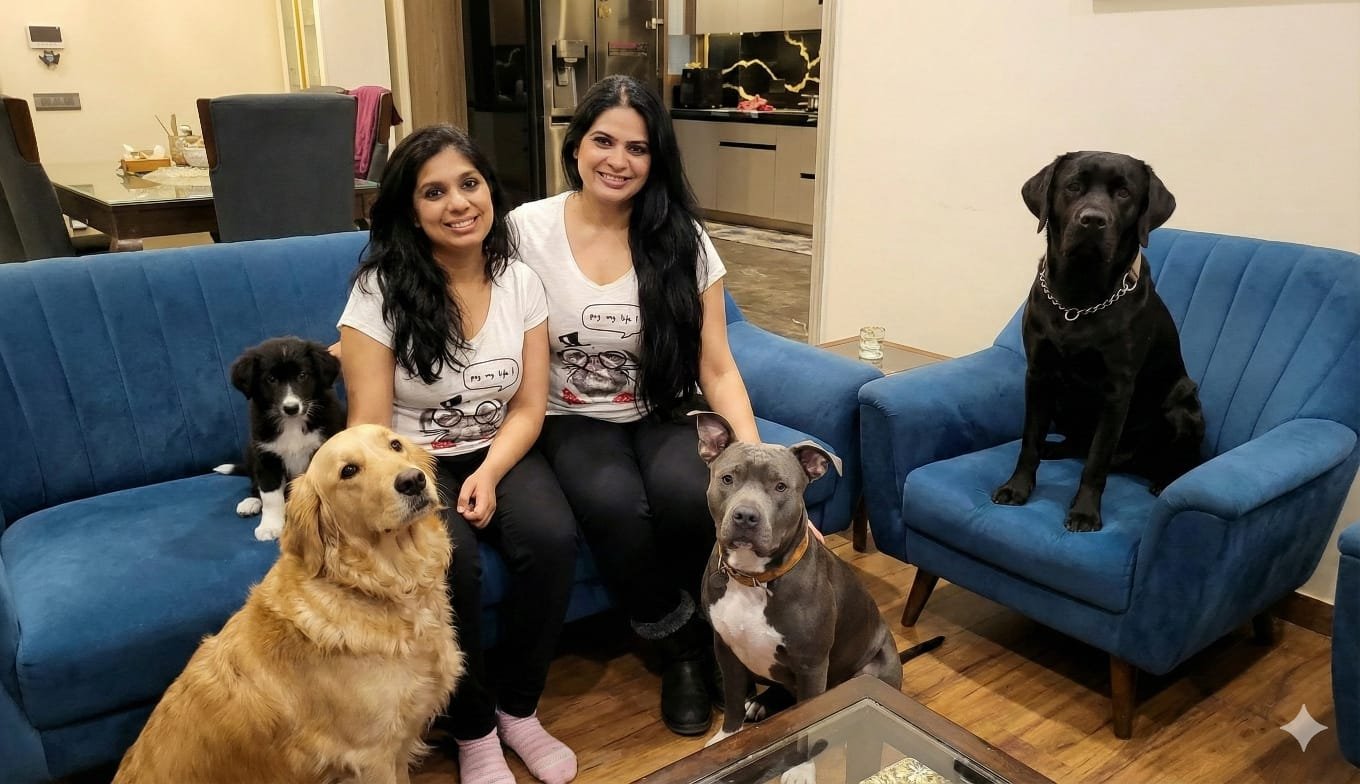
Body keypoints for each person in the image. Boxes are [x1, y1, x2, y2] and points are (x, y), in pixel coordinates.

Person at [509, 74, 761, 737]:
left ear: (656, 158)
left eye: (638, 148)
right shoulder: (527, 229)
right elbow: (462, 294)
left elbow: (716, 364)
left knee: (686, 493)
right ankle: (681, 649)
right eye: (604, 141)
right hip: (567, 415)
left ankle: (717, 634)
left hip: (663, 408)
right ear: (576, 145)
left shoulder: (682, 238)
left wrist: (754, 460)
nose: (618, 161)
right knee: (614, 503)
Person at [338, 124, 578, 784]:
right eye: (434, 192)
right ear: (410, 210)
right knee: (453, 563)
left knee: (552, 539)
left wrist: (492, 472)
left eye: (469, 184)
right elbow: (369, 430)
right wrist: (419, 485)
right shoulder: (378, 292)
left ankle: (519, 711)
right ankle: (472, 730)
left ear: (489, 190)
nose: (458, 203)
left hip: (498, 447)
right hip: (408, 465)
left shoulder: (520, 281)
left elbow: (529, 405)